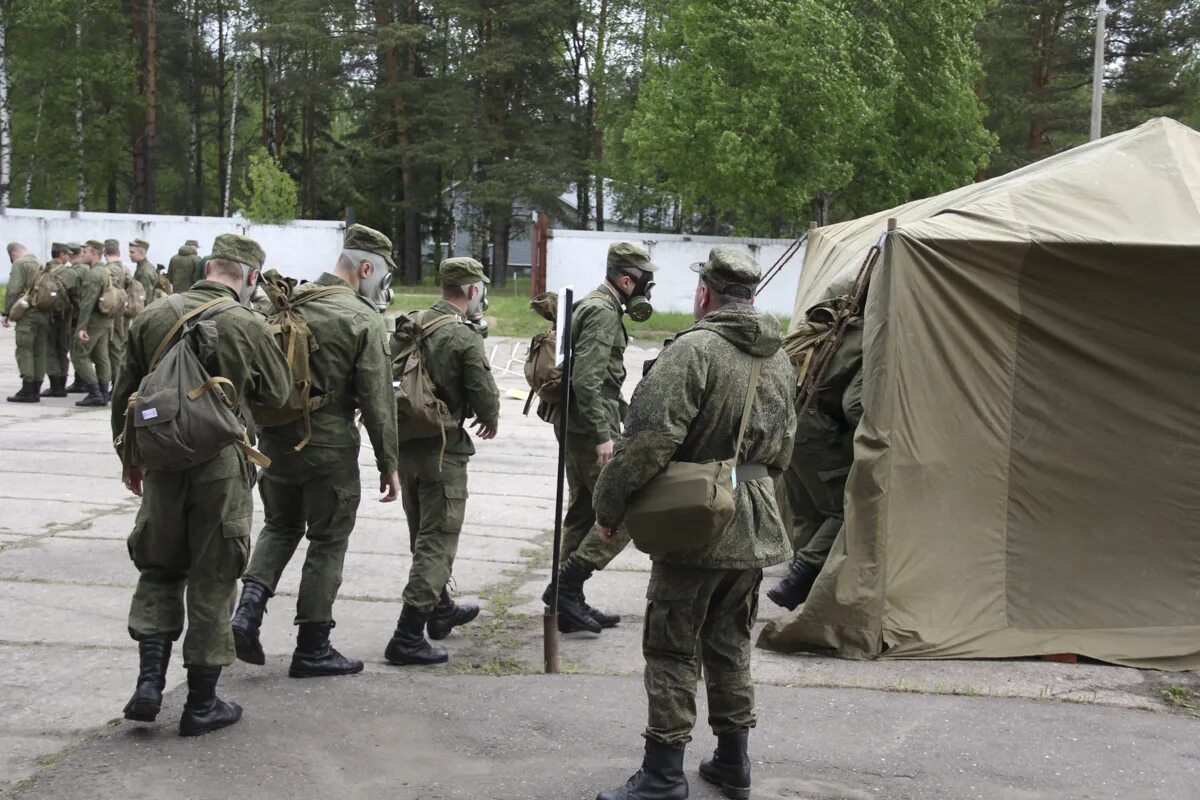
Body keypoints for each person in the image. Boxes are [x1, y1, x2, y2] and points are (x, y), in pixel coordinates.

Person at [591, 247, 796, 800]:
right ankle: (733, 763)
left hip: (694, 523)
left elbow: (647, 444)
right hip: (752, 519)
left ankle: (661, 775)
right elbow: (781, 455)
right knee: (730, 643)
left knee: (671, 647)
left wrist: (608, 510)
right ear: (751, 298)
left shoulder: (693, 351)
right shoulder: (780, 357)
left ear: (706, 293)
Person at [112, 233, 291, 737]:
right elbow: (277, 393)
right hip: (221, 464)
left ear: (209, 267)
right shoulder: (247, 323)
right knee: (214, 577)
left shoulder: (153, 315)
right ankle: (201, 704)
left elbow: (124, 393)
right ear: (250, 277)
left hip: (162, 465)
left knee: (160, 566)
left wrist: (129, 458)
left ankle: (149, 685)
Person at [231, 224, 401, 677]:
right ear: (366, 268)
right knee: (327, 540)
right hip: (329, 449)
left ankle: (247, 611)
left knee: (280, 526)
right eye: (381, 276)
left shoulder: (289, 301)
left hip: (276, 443)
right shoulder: (362, 318)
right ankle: (313, 646)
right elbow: (378, 401)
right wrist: (389, 463)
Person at [384, 257, 499, 666]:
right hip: (443, 449)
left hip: (406, 445)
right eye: (480, 289)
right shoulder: (463, 336)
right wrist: (491, 418)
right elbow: (483, 392)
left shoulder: (409, 324)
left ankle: (440, 608)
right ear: (471, 291)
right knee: (438, 539)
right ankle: (407, 636)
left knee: (422, 533)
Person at [541, 241, 658, 635]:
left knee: (583, 511)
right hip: (588, 428)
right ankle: (567, 589)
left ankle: (564, 600)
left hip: (578, 424)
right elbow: (587, 380)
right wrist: (604, 435)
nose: (647, 293)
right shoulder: (603, 312)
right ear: (627, 280)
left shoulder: (597, 305)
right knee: (620, 512)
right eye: (645, 283)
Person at [768, 290, 863, 611]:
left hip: (787, 424)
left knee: (808, 514)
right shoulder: (868, 337)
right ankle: (802, 577)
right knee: (846, 510)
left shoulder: (827, 326)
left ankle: (803, 596)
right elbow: (855, 406)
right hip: (817, 432)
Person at [2, 242, 48, 402]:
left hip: (27, 314)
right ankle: (36, 388)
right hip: (44, 313)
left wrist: (6, 312)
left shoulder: (19, 264)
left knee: (25, 350)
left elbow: (13, 289)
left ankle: (27, 389)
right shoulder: (41, 264)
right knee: (40, 351)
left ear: (13, 254)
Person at [72, 240, 115, 407]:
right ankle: (103, 393)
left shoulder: (94, 274)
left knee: (79, 354)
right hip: (104, 320)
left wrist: (81, 327)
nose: (82, 255)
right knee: (101, 356)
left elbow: (87, 303)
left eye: (86, 252)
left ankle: (94, 392)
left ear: (95, 254)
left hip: (93, 320)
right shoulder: (105, 271)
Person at [40, 243, 79, 397]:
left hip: (48, 315)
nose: (69, 257)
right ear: (61, 255)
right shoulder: (69, 273)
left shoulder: (44, 270)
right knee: (62, 350)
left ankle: (55, 385)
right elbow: (76, 296)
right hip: (66, 317)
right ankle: (61, 384)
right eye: (67, 254)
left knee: (50, 350)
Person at [102, 239, 131, 389]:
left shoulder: (107, 270)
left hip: (112, 316)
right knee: (120, 349)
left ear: (104, 253)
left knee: (112, 350)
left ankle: (116, 383)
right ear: (119, 252)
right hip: (123, 314)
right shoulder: (125, 269)